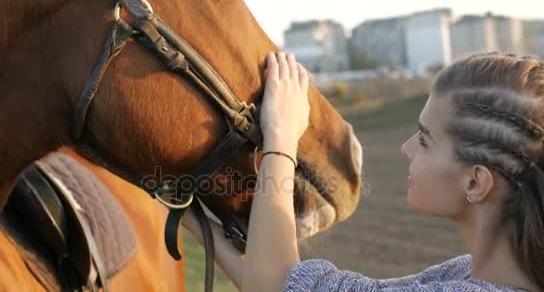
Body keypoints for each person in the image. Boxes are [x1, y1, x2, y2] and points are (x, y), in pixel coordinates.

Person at [183, 52, 544, 291]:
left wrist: (281, 134)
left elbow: (277, 286)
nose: (406, 148)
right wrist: (188, 213)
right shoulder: (468, 273)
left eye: (425, 139)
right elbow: (278, 282)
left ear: (476, 181)